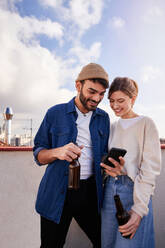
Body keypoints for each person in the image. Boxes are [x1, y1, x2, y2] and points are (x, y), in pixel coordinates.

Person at [33, 63, 124, 248]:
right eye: (92, 91)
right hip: (57, 191)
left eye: (101, 94)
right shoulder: (54, 113)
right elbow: (38, 155)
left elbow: (103, 154)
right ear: (78, 85)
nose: (96, 98)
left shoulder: (104, 118)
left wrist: (112, 165)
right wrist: (57, 152)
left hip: (91, 192)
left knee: (104, 242)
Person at [101, 77, 161, 248]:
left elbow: (150, 169)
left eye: (120, 100)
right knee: (108, 244)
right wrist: (110, 169)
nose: (115, 105)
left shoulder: (146, 123)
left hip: (134, 190)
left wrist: (139, 209)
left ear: (133, 99)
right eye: (111, 101)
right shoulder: (112, 126)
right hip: (109, 192)